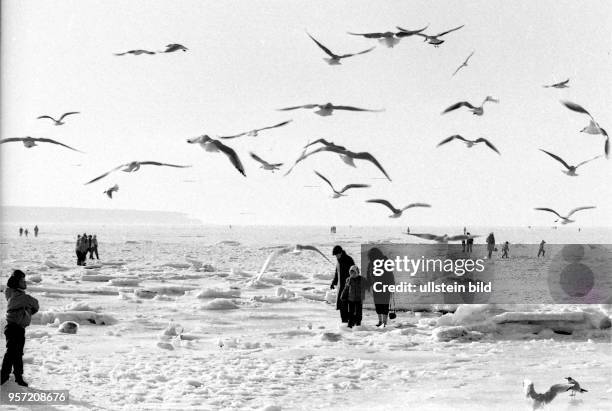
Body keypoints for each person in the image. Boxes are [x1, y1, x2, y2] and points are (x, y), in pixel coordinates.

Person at [1, 270, 39, 386]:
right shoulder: (16, 295)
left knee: (17, 353)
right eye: (22, 280)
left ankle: (18, 377)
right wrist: (29, 306)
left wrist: (27, 310)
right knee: (12, 352)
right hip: (13, 328)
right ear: (16, 282)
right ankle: (3, 376)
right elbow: (35, 303)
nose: (25, 282)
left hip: (19, 328)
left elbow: (35, 306)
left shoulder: (18, 295)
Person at [366, 247, 395, 327]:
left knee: (384, 304)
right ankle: (380, 321)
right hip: (376, 287)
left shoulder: (385, 261)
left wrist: (391, 285)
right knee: (378, 304)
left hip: (385, 286)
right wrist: (369, 285)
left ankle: (384, 322)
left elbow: (390, 274)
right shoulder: (371, 263)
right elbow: (368, 274)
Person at [330, 245, 355, 324]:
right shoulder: (338, 261)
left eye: (337, 254)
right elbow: (337, 274)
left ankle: (351, 322)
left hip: (349, 286)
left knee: (348, 305)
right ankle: (344, 323)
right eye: (335, 255)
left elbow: (355, 272)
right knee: (341, 305)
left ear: (341, 252)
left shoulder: (349, 260)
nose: (336, 256)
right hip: (340, 287)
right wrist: (333, 282)